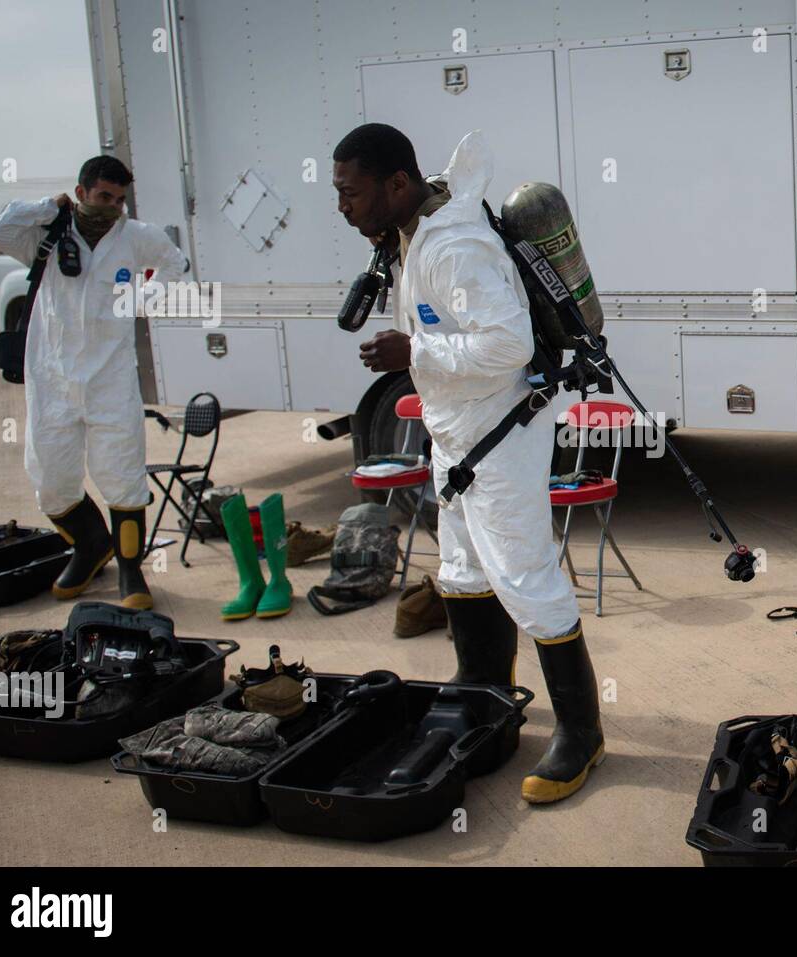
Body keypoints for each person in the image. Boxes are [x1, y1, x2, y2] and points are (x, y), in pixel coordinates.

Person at [332, 124, 605, 804]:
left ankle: (581, 731)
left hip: (500, 439)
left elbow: (509, 345)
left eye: (351, 193)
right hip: (457, 438)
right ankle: (481, 692)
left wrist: (415, 356)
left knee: (524, 575)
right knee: (462, 567)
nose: (344, 207)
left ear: (398, 184)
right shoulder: (413, 235)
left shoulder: (455, 247)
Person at [0, 156, 189, 610]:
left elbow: (176, 264)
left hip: (110, 379)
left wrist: (142, 298)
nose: (113, 207)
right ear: (80, 192)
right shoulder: (47, 232)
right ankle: (92, 547)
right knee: (51, 480)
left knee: (122, 476)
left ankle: (132, 572)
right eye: (103, 197)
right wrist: (45, 207)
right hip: (52, 377)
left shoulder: (135, 237)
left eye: (119, 199)